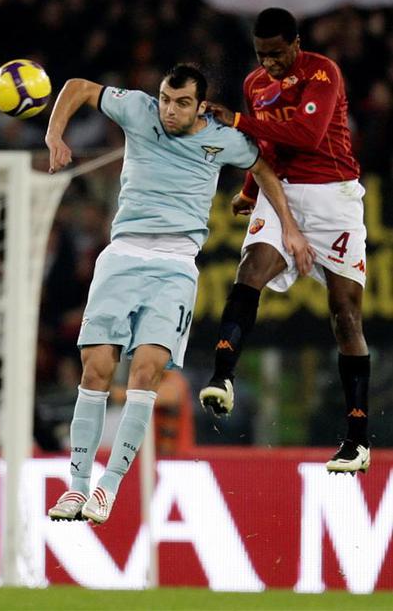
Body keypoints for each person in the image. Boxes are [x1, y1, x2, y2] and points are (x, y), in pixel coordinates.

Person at [45, 63, 313, 524]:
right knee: (96, 368)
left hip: (174, 266)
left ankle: (108, 488)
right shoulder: (138, 109)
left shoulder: (223, 139)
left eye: (182, 103)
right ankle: (77, 487)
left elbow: (264, 167)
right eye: (166, 100)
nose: (170, 110)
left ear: (201, 106)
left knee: (146, 371)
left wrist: (288, 225)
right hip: (122, 254)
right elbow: (77, 86)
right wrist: (55, 134)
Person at [199, 8, 371, 475]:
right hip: (283, 193)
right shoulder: (255, 83)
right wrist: (249, 190)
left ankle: (357, 440)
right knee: (250, 269)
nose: (269, 63)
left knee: (345, 315)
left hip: (333, 197)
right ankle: (223, 377)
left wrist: (237, 119)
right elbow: (268, 148)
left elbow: (306, 135)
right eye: (261, 55)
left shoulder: (322, 72)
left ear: (296, 44)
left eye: (277, 54)